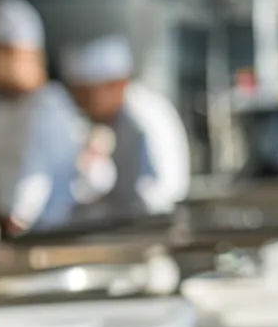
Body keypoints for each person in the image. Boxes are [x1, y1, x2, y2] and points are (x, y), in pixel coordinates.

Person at [0, 0, 83, 236]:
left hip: (40, 246)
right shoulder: (0, 105)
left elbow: (19, 211)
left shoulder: (49, 110)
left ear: (16, 52)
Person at [61, 35, 191, 217]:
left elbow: (151, 198)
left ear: (116, 85)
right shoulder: (122, 115)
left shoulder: (139, 119)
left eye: (85, 95)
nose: (80, 105)